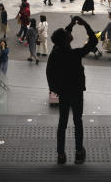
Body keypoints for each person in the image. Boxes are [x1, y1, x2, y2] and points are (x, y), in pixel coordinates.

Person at [46, 16, 98, 164]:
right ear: (67, 40)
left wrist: (71, 24)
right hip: (76, 92)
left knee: (62, 122)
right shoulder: (75, 54)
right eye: (67, 33)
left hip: (63, 92)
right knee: (78, 121)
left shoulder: (56, 52)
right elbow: (94, 41)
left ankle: (61, 154)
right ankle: (79, 152)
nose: (68, 32)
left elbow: (61, 37)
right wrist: (85, 24)